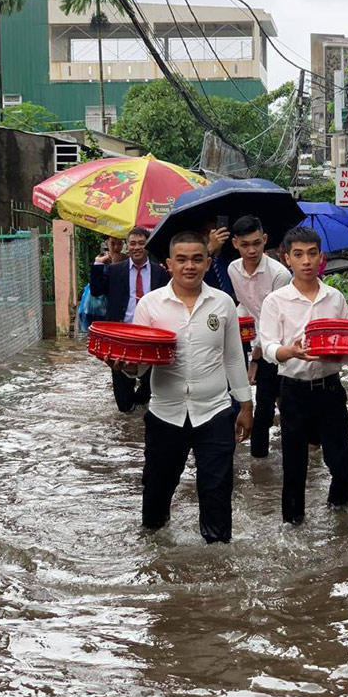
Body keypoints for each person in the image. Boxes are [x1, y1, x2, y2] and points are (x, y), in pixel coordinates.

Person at [108, 230, 253, 541]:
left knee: (216, 487)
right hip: (165, 412)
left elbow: (232, 357)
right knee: (157, 490)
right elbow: (141, 363)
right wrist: (126, 368)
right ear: (169, 264)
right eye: (182, 259)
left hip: (214, 411)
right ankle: (154, 553)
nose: (190, 266)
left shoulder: (223, 303)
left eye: (197, 259)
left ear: (207, 262)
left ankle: (218, 562)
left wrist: (245, 404)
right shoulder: (150, 306)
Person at [259, 226, 348, 524]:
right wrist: (290, 351)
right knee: (294, 465)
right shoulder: (276, 301)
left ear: (321, 257)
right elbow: (268, 346)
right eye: (298, 255)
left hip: (330, 388)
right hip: (293, 391)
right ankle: (293, 524)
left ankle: (340, 519)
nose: (306, 261)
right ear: (287, 259)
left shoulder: (335, 298)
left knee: (341, 462)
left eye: (312, 254)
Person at [227, 215, 291, 458]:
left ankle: (307, 444)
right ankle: (259, 462)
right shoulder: (233, 269)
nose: (251, 250)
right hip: (257, 344)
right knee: (263, 407)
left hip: (281, 346)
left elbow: (273, 320)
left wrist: (254, 358)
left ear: (265, 240)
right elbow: (244, 305)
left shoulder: (279, 274)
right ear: (235, 244)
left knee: (285, 402)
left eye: (256, 243)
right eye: (245, 245)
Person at [90, 226, 169, 413]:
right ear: (127, 246)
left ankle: (140, 407)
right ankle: (127, 424)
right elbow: (96, 290)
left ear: (147, 245)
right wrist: (98, 265)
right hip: (121, 334)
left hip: (151, 335)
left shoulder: (161, 272)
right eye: (132, 243)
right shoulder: (116, 270)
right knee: (122, 390)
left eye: (141, 243)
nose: (136, 247)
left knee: (151, 382)